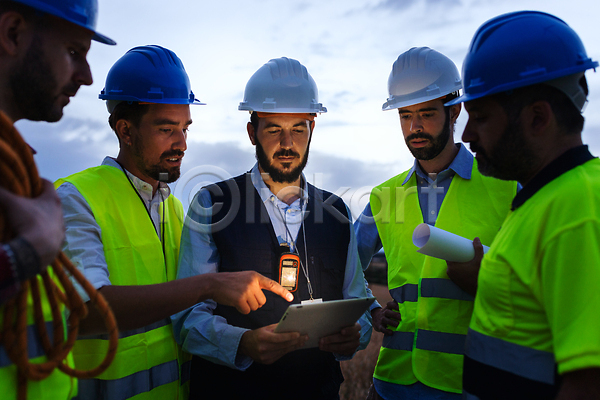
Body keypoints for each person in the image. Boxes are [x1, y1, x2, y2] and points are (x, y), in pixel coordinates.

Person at [56, 46, 294, 400]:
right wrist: (209, 285)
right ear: (125, 130)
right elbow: (86, 313)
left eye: (185, 129)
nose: (181, 143)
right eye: (166, 129)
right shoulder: (76, 199)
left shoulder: (176, 210)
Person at [171, 56, 373, 400]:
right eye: (274, 129)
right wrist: (242, 343)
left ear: (312, 130)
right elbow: (187, 317)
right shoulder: (211, 204)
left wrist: (357, 335)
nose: (287, 143)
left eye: (298, 129)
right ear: (252, 132)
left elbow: (359, 302)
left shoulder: (336, 213)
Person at [444, 11, 600, 399]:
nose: (467, 134)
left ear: (537, 117)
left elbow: (589, 382)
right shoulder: (543, 197)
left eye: (480, 117)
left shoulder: (576, 210)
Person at [355, 47, 518, 399]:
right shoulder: (386, 197)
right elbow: (343, 265)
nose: (415, 127)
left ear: (454, 111)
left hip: (470, 383)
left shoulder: (506, 189)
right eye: (405, 115)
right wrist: (370, 309)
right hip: (392, 383)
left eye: (427, 114)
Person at [0, 0, 114, 397]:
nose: (86, 76)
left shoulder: (14, 163)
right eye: (73, 52)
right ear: (13, 33)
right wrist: (29, 253)